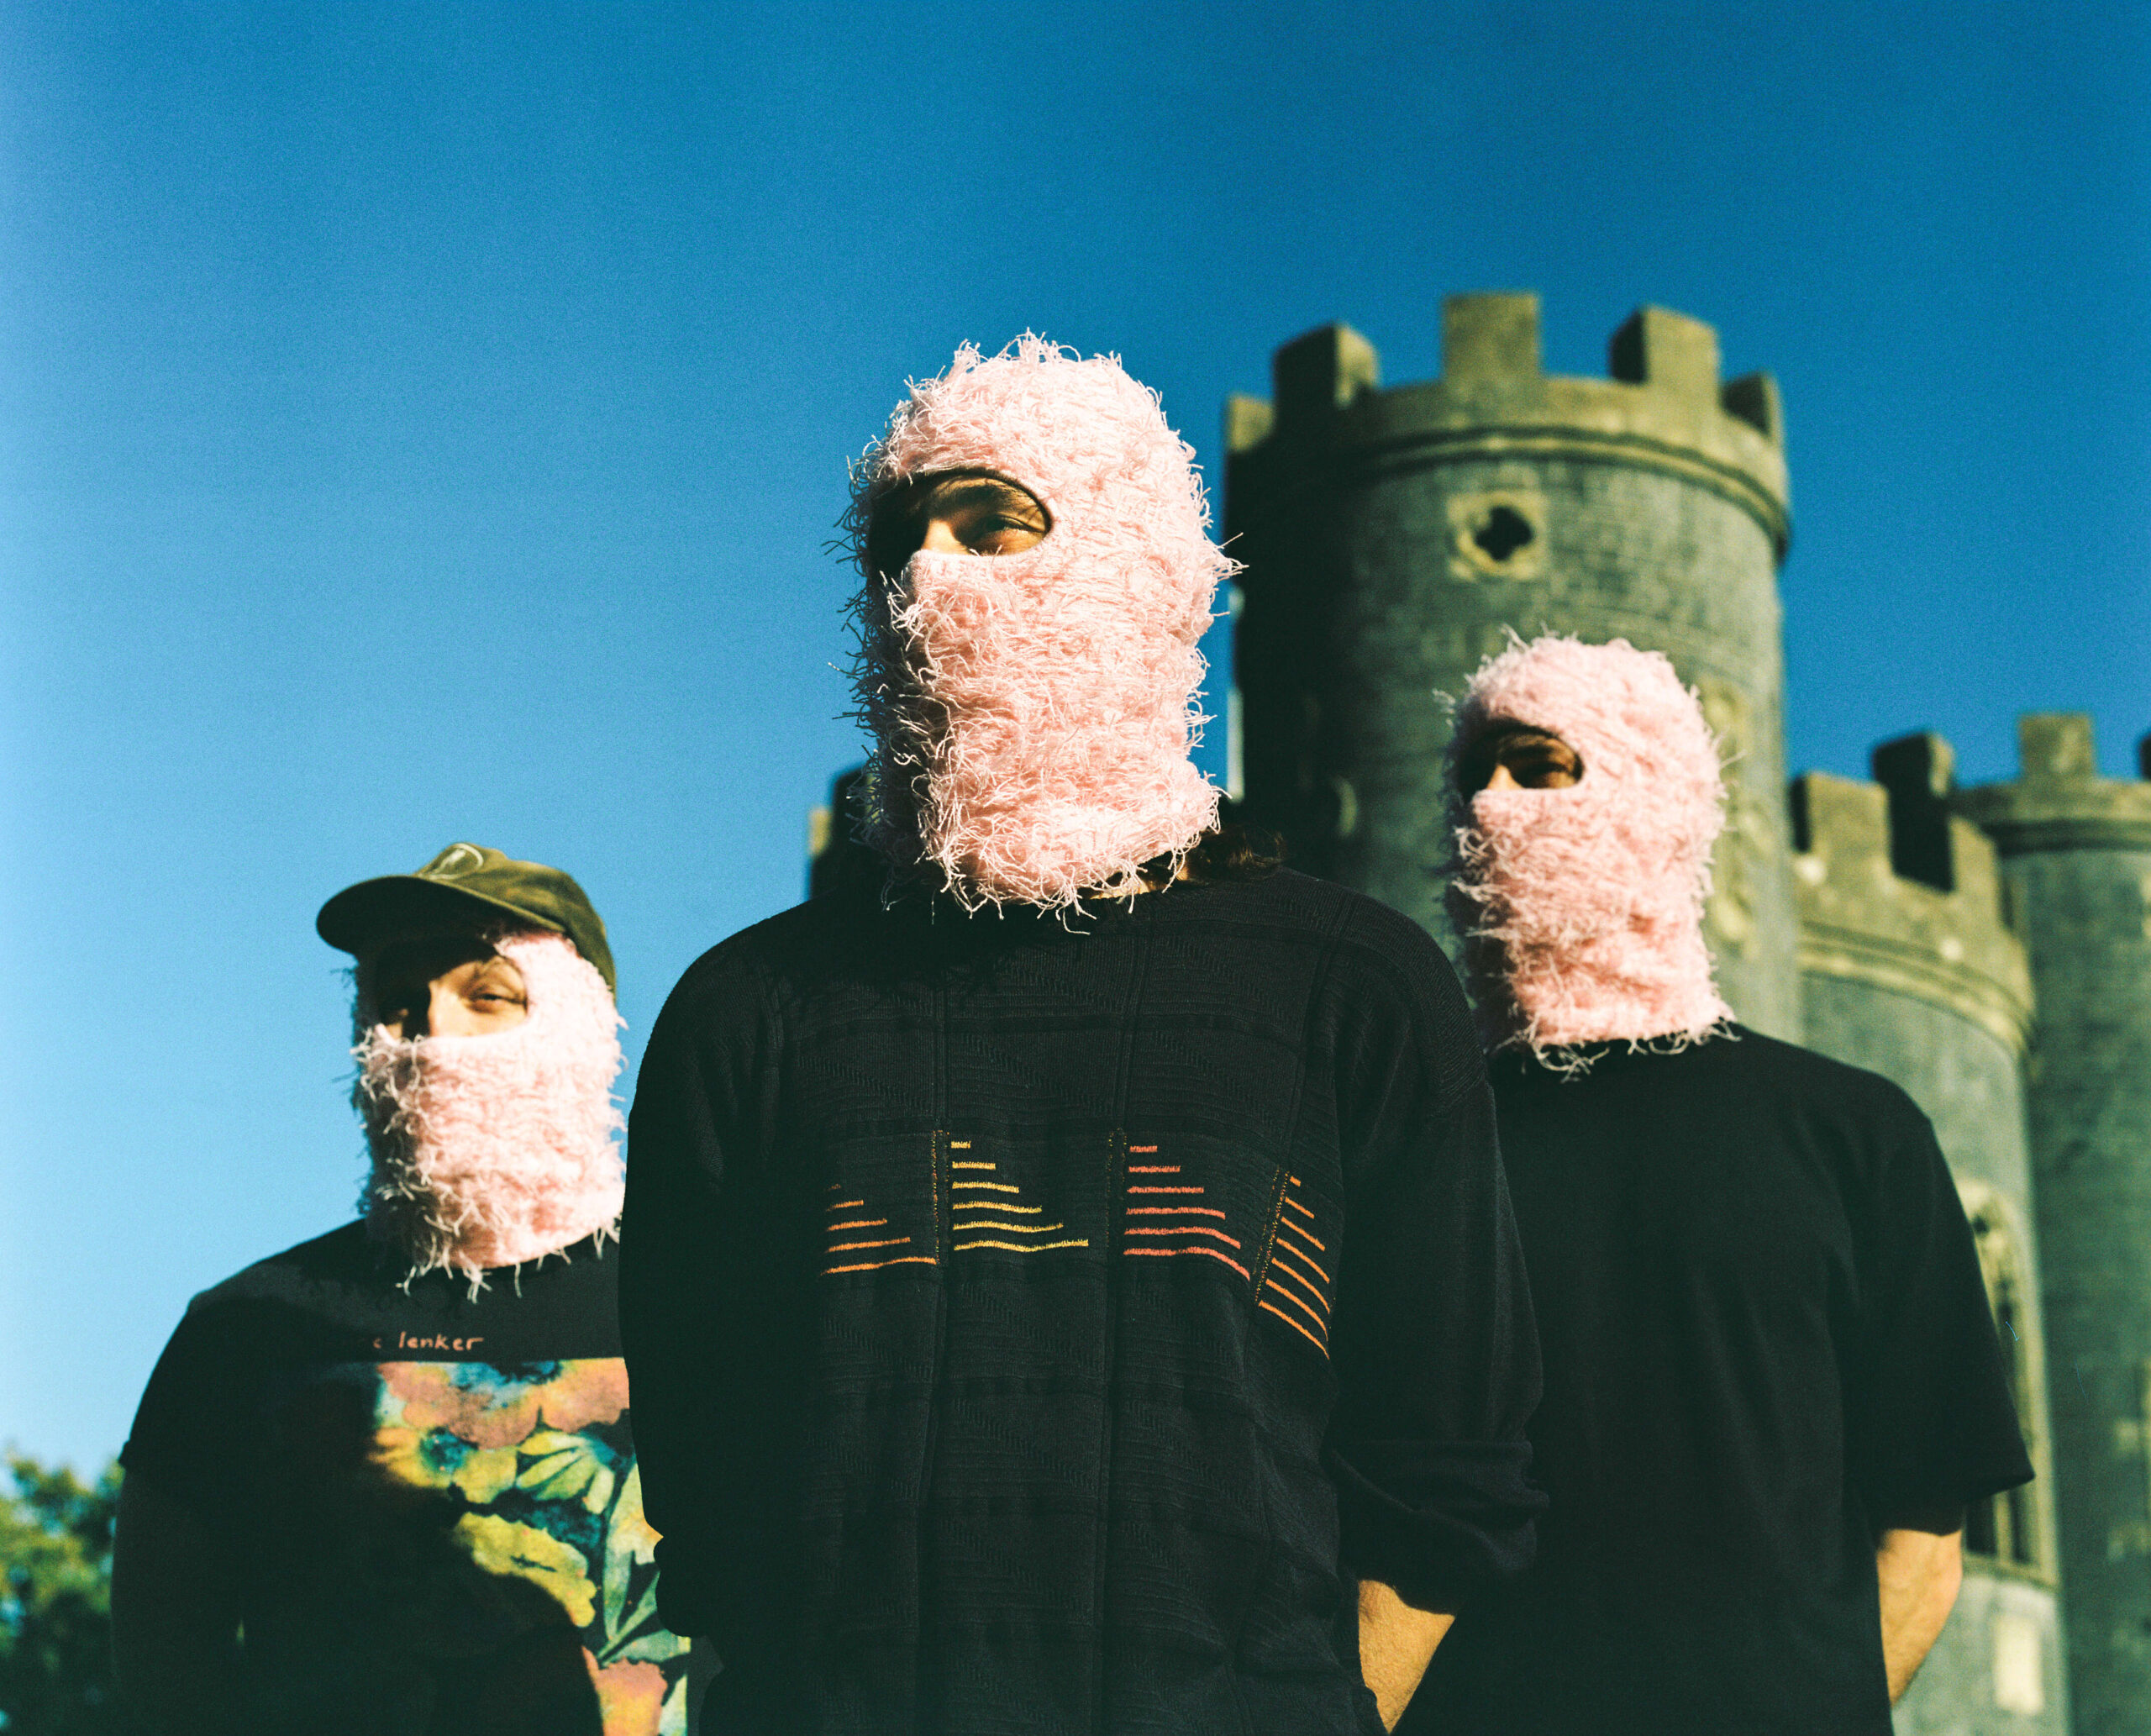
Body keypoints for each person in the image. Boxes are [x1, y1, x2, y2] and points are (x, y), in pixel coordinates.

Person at [621, 338, 1544, 1735]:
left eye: (993, 523)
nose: (930, 577)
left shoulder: (1354, 986)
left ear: (1131, 558)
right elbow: (708, 1480)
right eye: (896, 540)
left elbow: (1451, 1451)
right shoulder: (748, 1011)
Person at [1397, 635, 2033, 1735]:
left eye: (1541, 765)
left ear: (1652, 793)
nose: (1491, 805)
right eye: (1471, 773)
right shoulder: (1408, 1141)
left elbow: (1925, 1536)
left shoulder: (1854, 1132)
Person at [113, 844, 694, 1736]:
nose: (432, 1035)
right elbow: (164, 1674)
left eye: (487, 995)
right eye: (397, 1002)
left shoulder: (703, 1303)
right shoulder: (245, 1330)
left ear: (581, 1025)